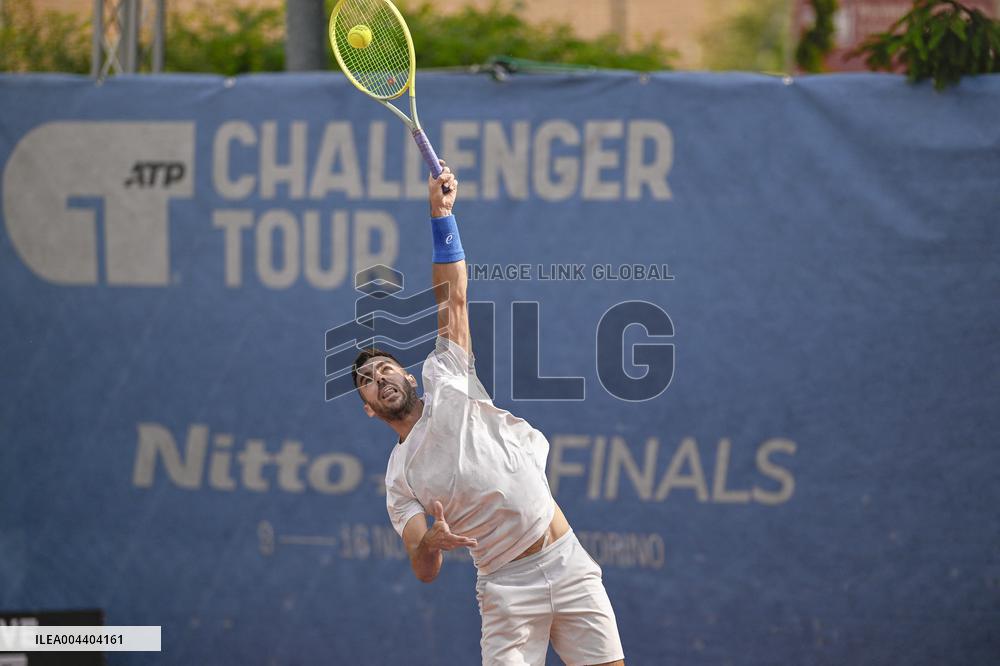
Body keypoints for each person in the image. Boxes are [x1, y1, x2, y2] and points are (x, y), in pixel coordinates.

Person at [351, 161, 625, 666]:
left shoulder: (448, 374)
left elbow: (453, 296)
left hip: (565, 560)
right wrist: (430, 541)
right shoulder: (399, 479)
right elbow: (424, 568)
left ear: (409, 376)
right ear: (369, 410)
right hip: (503, 589)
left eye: (387, 369)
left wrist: (440, 213)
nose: (380, 379)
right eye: (367, 382)